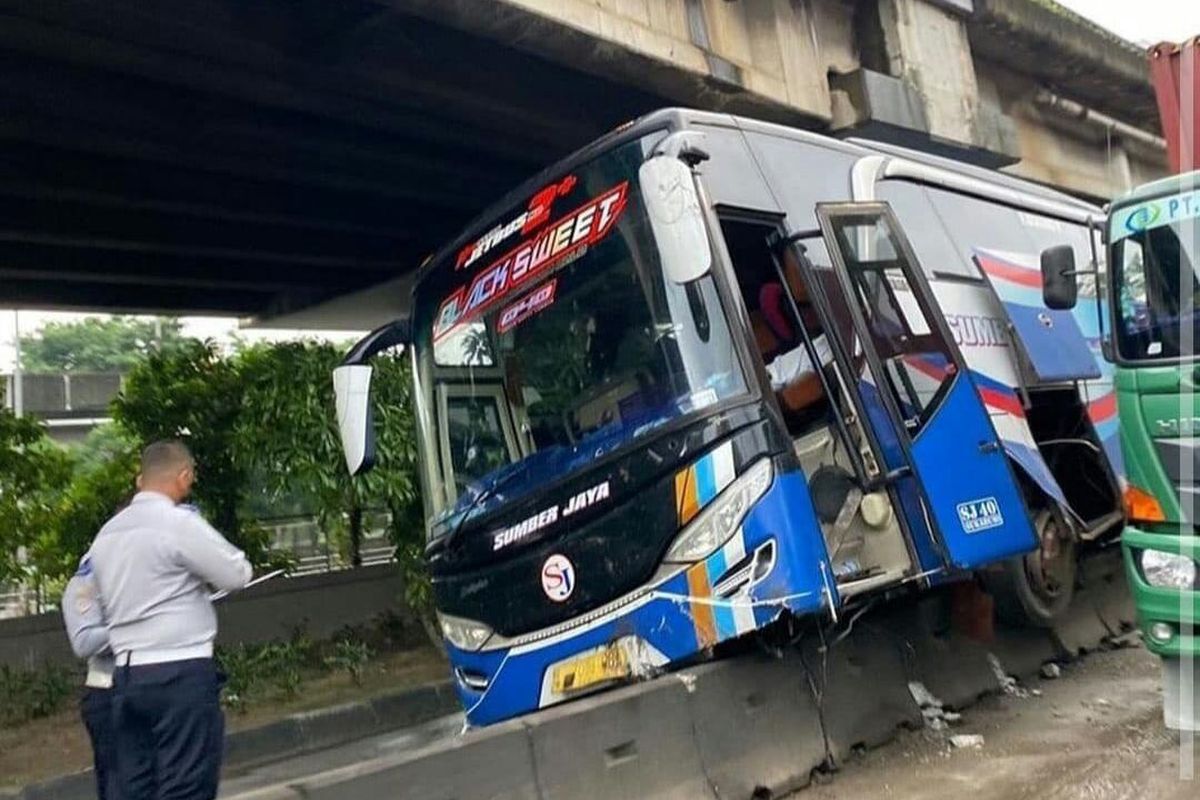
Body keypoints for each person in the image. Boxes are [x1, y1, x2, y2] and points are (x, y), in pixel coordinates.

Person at [89, 440, 252, 800]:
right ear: (183, 476)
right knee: (185, 786)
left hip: (126, 677)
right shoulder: (177, 523)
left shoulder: (107, 534)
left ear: (139, 481)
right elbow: (236, 574)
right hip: (178, 672)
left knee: (138, 788)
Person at [62, 553, 118, 800]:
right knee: (121, 786)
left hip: (159, 687)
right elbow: (84, 641)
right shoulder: (87, 580)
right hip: (110, 692)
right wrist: (137, 628)